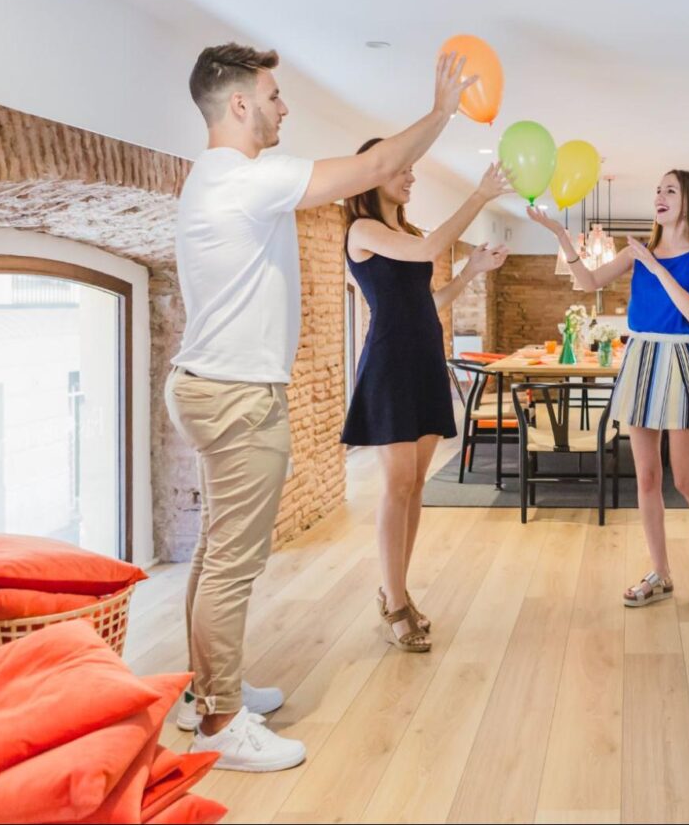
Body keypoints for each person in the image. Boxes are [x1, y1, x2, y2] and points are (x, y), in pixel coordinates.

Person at [166, 43, 477, 771]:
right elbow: (369, 170)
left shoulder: (216, 183)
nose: (283, 107)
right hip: (235, 394)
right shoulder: (241, 179)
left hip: (215, 386)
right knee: (232, 564)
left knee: (215, 554)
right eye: (273, 95)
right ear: (239, 104)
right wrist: (439, 112)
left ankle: (203, 691)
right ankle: (218, 724)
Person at [526, 170, 689, 608]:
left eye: (669, 190)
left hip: (679, 359)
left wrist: (656, 267)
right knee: (647, 478)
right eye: (657, 189)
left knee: (688, 479)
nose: (659, 196)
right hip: (640, 358)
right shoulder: (637, 251)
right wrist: (562, 234)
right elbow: (587, 283)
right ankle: (660, 572)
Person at [341, 145, 511, 652]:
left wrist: (470, 272)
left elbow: (427, 302)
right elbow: (426, 252)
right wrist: (479, 195)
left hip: (423, 360)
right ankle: (394, 601)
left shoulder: (410, 234)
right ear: (373, 176)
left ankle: (398, 589)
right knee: (396, 485)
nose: (411, 177)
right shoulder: (362, 232)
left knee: (416, 486)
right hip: (390, 363)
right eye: (402, 169)